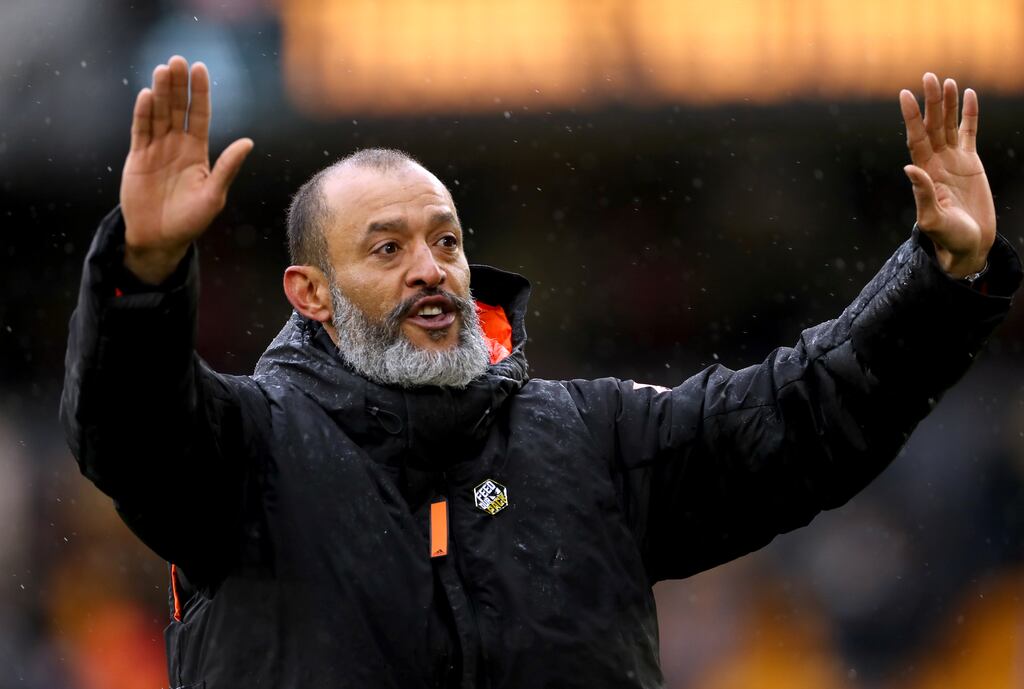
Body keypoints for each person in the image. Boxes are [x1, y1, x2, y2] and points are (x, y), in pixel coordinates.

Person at [60, 55, 1021, 689]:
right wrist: (143, 274)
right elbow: (128, 429)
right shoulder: (244, 451)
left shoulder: (592, 439)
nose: (430, 268)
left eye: (446, 241)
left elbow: (805, 414)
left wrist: (942, 281)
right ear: (309, 292)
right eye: (386, 248)